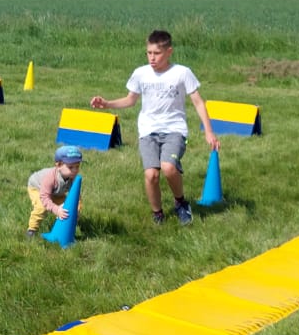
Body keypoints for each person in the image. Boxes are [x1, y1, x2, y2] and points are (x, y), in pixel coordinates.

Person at [91, 29, 220, 226]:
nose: (152, 57)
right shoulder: (140, 73)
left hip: (175, 130)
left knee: (168, 168)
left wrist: (209, 132)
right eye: (149, 53)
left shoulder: (182, 73)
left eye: (157, 53)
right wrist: (107, 104)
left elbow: (198, 102)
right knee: (151, 174)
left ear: (169, 52)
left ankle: (180, 203)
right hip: (148, 131)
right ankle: (157, 213)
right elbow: (130, 100)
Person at [26, 145, 84, 238]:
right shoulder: (50, 178)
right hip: (37, 188)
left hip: (56, 191)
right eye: (70, 167)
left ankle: (65, 227)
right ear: (59, 165)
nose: (75, 170)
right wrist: (56, 210)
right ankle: (32, 230)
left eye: (77, 166)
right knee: (41, 207)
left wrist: (76, 210)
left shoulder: (73, 178)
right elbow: (44, 197)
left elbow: (76, 197)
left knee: (67, 206)